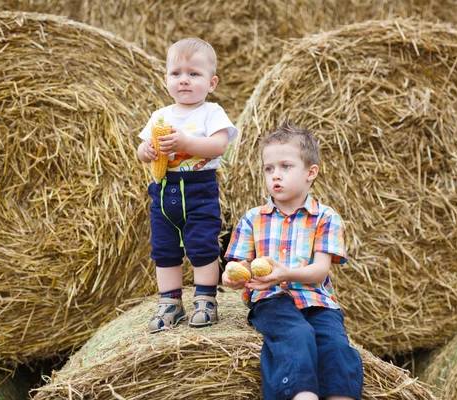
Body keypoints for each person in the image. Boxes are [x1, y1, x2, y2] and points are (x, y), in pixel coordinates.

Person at [223, 122, 363, 400]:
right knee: (296, 335)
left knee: (336, 345)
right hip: (272, 299)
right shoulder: (253, 218)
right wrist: (231, 277)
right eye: (269, 168)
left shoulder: (326, 217)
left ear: (311, 173)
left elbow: (320, 271)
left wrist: (286, 272)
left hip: (318, 300)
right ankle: (301, 395)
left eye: (285, 166)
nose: (275, 175)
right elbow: (238, 269)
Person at [137, 38, 237, 333]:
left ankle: (206, 298)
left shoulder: (211, 112)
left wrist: (185, 142)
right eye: (176, 73)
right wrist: (147, 152)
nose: (184, 80)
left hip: (199, 191)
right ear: (165, 78)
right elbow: (144, 148)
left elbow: (218, 146)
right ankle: (170, 302)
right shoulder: (160, 115)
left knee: (202, 246)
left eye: (194, 74)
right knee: (164, 249)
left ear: (211, 82)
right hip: (164, 191)